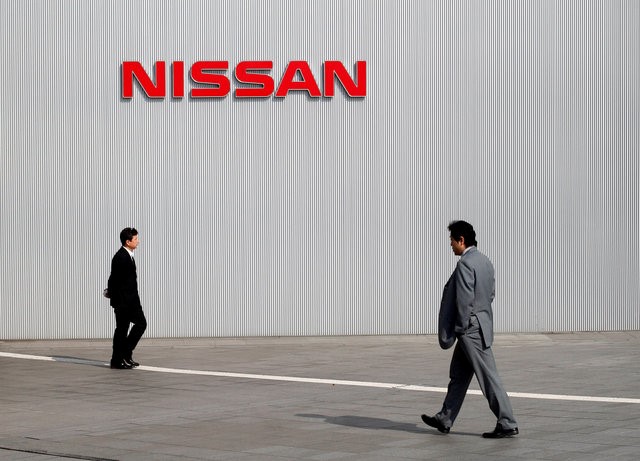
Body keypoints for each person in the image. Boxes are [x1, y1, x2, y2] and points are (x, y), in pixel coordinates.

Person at [421, 221, 519, 438]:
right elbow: (490, 294)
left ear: (461, 240)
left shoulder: (465, 264)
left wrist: (461, 327)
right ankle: (445, 418)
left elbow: (464, 299)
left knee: (488, 377)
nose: (451, 245)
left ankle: (507, 421)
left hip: (469, 329)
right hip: (481, 324)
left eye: (452, 241)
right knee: (458, 375)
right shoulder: (485, 261)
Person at [107, 227, 147, 369]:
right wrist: (111, 293)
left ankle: (124, 354)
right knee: (122, 330)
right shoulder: (121, 257)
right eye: (136, 239)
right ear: (128, 241)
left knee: (139, 325)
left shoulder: (127, 255)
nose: (138, 241)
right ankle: (118, 359)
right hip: (124, 302)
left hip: (131, 300)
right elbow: (114, 279)